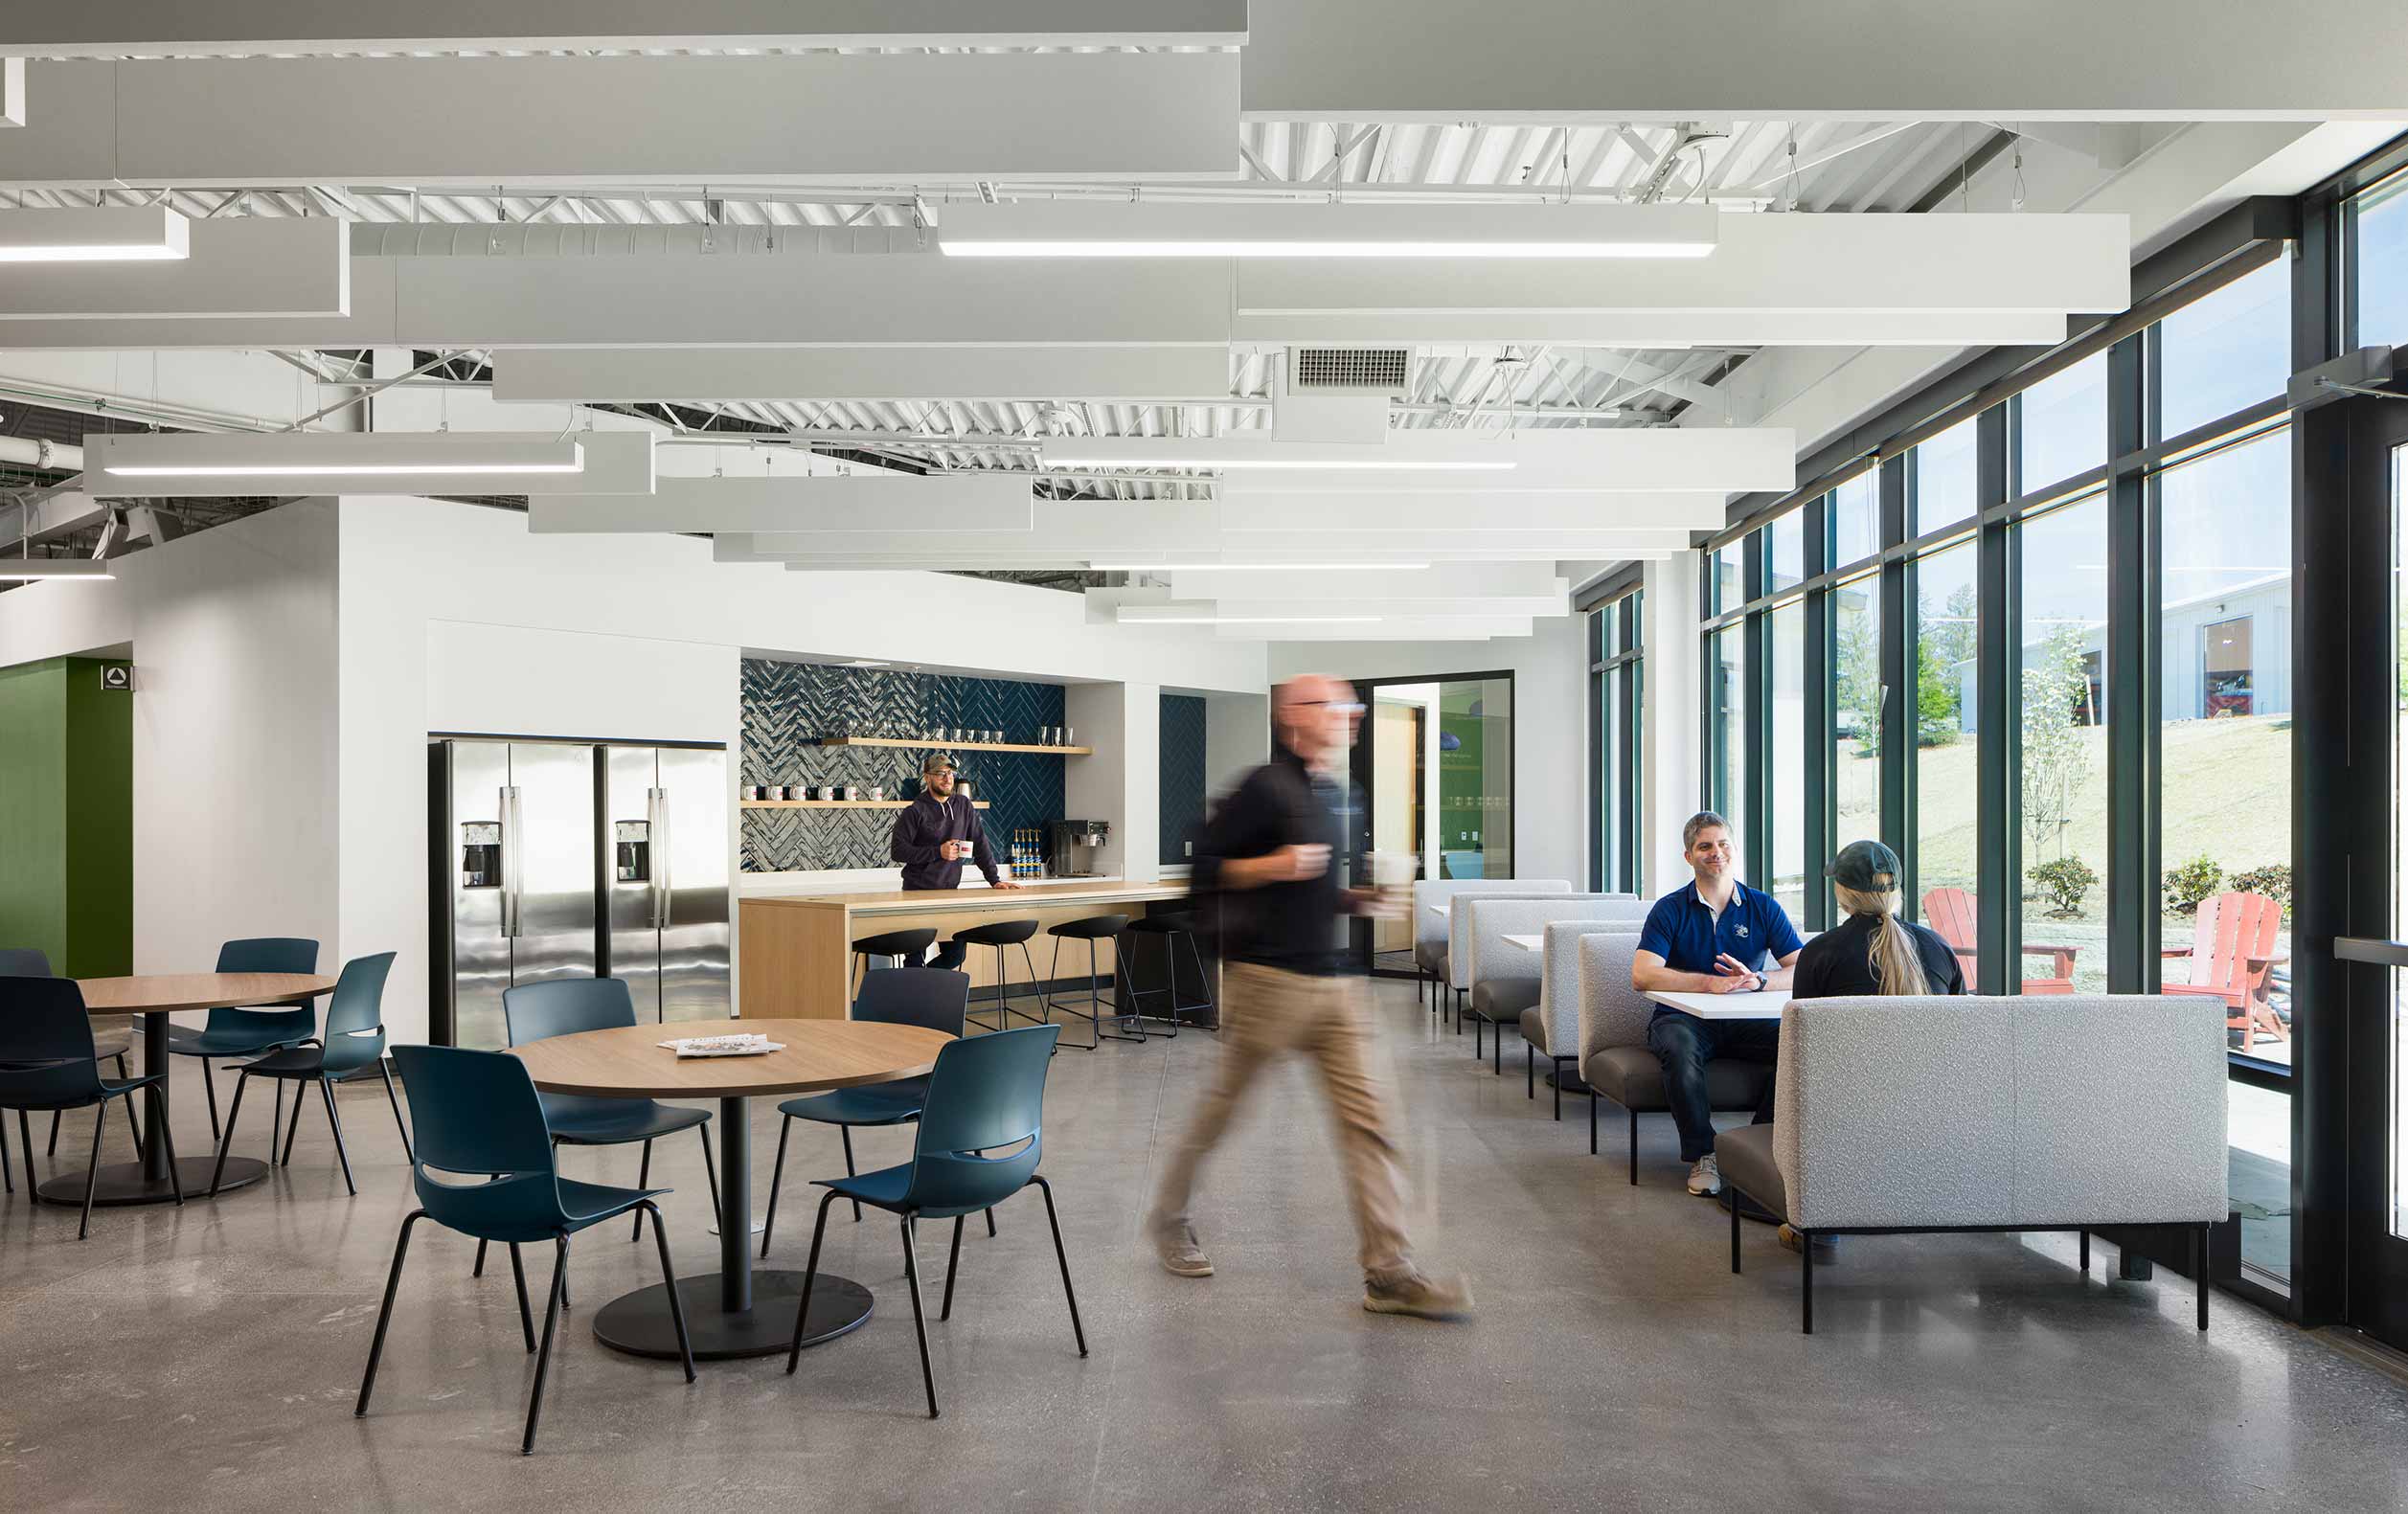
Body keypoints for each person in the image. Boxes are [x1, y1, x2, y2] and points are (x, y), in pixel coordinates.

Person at [1147, 673, 1472, 1322]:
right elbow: (1202, 873)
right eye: (1333, 704)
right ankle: (1168, 1215)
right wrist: (1271, 865)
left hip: (1335, 987)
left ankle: (1389, 1272)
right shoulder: (1262, 787)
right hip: (1267, 983)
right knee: (1222, 1112)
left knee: (1371, 1124)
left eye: (1350, 704)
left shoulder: (1342, 793)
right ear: (1293, 718)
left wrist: (1358, 899)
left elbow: (1320, 886)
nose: (1349, 713)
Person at [1779, 839, 1965, 1254]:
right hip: (1931, 1110)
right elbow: (1958, 1036)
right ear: (1896, 890)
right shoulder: (1937, 948)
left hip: (1844, 1114)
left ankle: (1817, 1215)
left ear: (1841, 894)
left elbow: (1802, 1047)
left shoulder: (1820, 954)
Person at [1629, 811, 1804, 1200]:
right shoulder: (1670, 909)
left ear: (1734, 850)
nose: (1716, 853)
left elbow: (1800, 969)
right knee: (1678, 1047)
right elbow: (1642, 974)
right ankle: (1703, 1154)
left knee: (1800, 1048)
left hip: (1747, 1020)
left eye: (1723, 844)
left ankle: (1758, 1147)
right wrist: (1708, 983)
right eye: (1705, 846)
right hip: (1684, 1019)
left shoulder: (1762, 906)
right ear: (1689, 856)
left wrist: (1758, 981)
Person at [889, 751, 1018, 969]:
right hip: (917, 894)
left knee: (956, 956)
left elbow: (980, 843)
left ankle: (925, 986)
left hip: (950, 894)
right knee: (913, 960)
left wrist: (994, 880)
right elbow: (898, 851)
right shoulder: (915, 811)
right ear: (927, 777)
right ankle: (915, 998)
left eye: (950, 773)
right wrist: (937, 852)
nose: (948, 779)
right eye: (940, 774)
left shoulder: (963, 806)